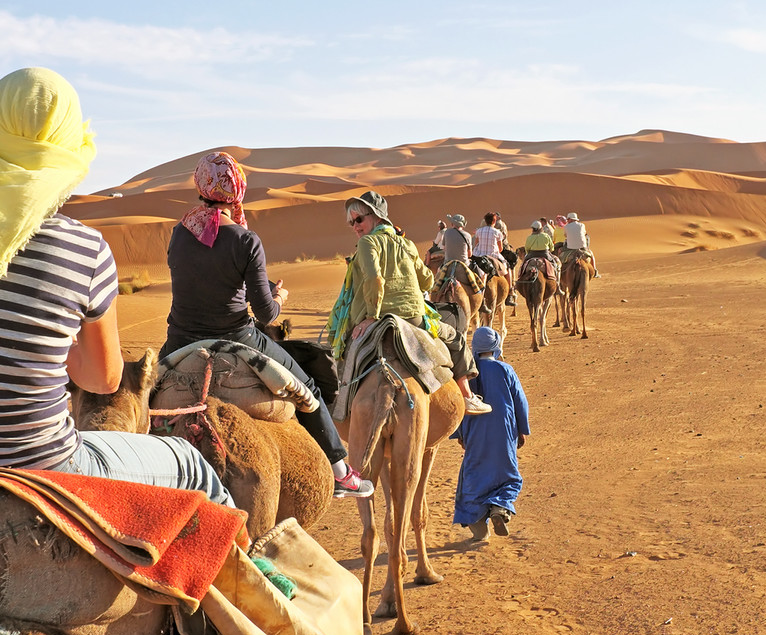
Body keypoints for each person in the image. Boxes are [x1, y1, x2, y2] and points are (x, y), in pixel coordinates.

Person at [0, 67, 233, 507]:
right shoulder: (85, 249)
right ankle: (251, 573)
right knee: (190, 463)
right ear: (66, 148)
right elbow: (103, 379)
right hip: (41, 467)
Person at [160, 151, 374, 499]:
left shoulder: (179, 234)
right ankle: (339, 471)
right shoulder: (245, 241)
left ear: (200, 185)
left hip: (180, 339)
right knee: (307, 388)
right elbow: (267, 315)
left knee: (140, 397)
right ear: (237, 190)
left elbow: (198, 280)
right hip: (237, 338)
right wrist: (278, 298)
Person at [325, 192, 491, 415]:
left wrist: (372, 317)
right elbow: (427, 280)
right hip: (413, 318)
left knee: (338, 351)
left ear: (376, 217)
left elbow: (374, 278)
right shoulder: (407, 245)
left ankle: (334, 410)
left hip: (372, 318)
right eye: (351, 222)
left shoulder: (367, 242)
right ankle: (468, 396)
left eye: (358, 219)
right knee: (455, 338)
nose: (355, 226)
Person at [451, 326, 530, 541]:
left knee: (473, 478)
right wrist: (522, 429)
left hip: (474, 433)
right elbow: (520, 402)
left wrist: (459, 434)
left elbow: (458, 404)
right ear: (495, 346)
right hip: (504, 431)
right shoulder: (506, 370)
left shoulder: (465, 375)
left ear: (474, 348)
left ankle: (479, 527)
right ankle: (500, 507)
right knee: (507, 473)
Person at [473, 213, 514, 308]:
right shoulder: (497, 232)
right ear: (494, 221)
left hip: (479, 255)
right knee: (507, 267)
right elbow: (500, 249)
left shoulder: (479, 231)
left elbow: (476, 244)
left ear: (485, 221)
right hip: (493, 256)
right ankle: (510, 293)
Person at [563, 212, 601, 277]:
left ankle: (560, 272)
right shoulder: (582, 225)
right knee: (591, 255)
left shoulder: (566, 227)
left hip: (570, 248)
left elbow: (565, 235)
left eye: (568, 219)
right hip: (582, 248)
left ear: (571, 219)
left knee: (560, 254)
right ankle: (595, 271)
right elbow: (584, 233)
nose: (567, 221)